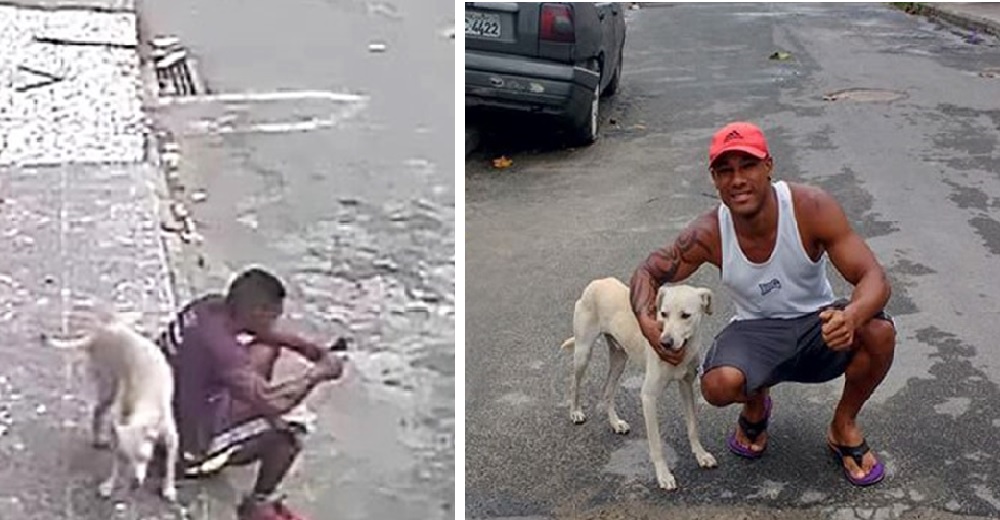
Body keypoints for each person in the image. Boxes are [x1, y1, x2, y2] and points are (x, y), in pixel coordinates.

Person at [629, 122, 896, 487]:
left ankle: (843, 424)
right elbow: (647, 273)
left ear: (768, 165)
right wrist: (649, 326)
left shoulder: (810, 208)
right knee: (718, 385)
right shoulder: (709, 232)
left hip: (817, 323)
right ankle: (756, 404)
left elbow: (874, 278)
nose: (737, 179)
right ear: (714, 179)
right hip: (755, 330)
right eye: (726, 170)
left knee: (878, 332)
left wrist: (851, 316)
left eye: (748, 165)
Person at [156, 267, 346, 520]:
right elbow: (275, 403)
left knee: (266, 349)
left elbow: (264, 334)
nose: (275, 323)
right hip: (186, 446)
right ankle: (256, 504)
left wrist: (309, 349)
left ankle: (246, 402)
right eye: (273, 316)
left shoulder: (208, 307)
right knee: (289, 434)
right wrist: (319, 373)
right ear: (256, 312)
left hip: (165, 406)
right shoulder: (223, 350)